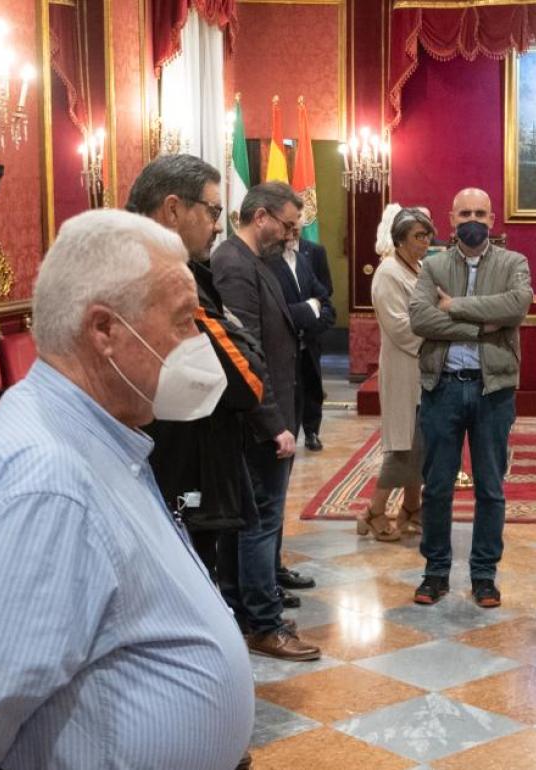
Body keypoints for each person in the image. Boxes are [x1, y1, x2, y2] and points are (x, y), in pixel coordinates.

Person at [0, 210, 254, 768]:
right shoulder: (47, 481)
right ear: (105, 330)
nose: (197, 341)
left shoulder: (84, 431)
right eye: (185, 321)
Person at [125, 154, 272, 594]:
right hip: (177, 465)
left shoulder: (155, 266)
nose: (217, 225)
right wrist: (240, 341)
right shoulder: (166, 277)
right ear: (173, 209)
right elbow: (248, 380)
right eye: (211, 211)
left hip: (165, 460)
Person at [408, 187, 533, 608]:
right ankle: (435, 572)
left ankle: (484, 576)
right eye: (465, 213)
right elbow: (420, 317)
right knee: (438, 486)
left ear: (493, 219)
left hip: (492, 389)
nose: (473, 219)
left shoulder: (514, 262)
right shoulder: (433, 263)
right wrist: (481, 326)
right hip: (441, 386)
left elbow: (517, 306)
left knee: (490, 488)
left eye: (480, 212)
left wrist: (456, 306)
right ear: (452, 218)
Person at [212, 182, 321, 660]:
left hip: (270, 411)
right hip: (257, 421)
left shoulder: (256, 262)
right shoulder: (234, 264)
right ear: (260, 216)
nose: (290, 234)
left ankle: (242, 613)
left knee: (249, 520)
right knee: (258, 521)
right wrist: (273, 422)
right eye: (286, 224)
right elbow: (245, 354)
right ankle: (263, 622)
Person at [365, 207, 435, 541]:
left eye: (427, 235)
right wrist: (438, 330)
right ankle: (375, 511)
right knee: (402, 444)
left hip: (422, 366)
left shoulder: (417, 267)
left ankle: (411, 506)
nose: (426, 242)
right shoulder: (388, 273)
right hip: (403, 365)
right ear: (400, 240)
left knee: (420, 439)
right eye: (419, 236)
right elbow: (399, 327)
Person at [296, 237, 334, 452]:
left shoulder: (314, 252)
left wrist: (314, 313)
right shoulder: (270, 255)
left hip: (311, 331)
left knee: (312, 382)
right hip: (288, 332)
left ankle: (312, 431)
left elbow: (325, 288)